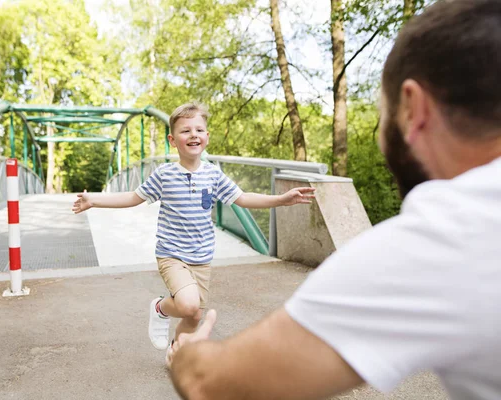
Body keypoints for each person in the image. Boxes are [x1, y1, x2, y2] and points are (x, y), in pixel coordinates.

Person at [168, 1, 501, 399]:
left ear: (413, 109)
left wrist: (190, 354)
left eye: (385, 111)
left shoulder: (445, 238)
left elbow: (210, 384)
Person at [71, 102, 316, 364]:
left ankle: (176, 350)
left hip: (201, 258)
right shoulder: (164, 174)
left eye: (199, 129)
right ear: (172, 140)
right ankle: (160, 307)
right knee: (187, 305)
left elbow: (242, 198)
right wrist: (94, 200)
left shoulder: (213, 174)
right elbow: (133, 197)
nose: (193, 135)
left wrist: (281, 199)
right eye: (185, 131)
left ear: (207, 137)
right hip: (172, 255)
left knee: (194, 316)